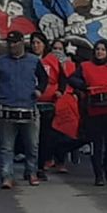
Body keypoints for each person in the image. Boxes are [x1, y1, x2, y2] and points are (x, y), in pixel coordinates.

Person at [0, 31, 49, 189]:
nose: (11, 45)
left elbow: (44, 78)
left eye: (14, 42)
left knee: (32, 144)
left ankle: (31, 171)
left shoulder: (34, 61)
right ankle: (7, 176)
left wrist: (40, 89)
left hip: (29, 107)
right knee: (7, 147)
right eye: (9, 42)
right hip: (7, 107)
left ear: (22, 42)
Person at [69, 39, 107, 186]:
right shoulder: (85, 66)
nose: (99, 52)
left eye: (102, 49)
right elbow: (72, 79)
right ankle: (98, 175)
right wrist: (84, 86)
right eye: (97, 49)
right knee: (97, 145)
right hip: (94, 110)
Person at [29, 32, 66, 181]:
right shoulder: (28, 59)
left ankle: (40, 167)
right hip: (31, 103)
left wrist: (59, 91)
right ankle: (30, 166)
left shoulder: (52, 60)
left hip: (48, 104)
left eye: (38, 43)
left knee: (45, 137)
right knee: (31, 138)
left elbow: (63, 79)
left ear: (44, 44)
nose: (36, 46)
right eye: (33, 43)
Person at [50, 39, 83, 171]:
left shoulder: (72, 65)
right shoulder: (47, 63)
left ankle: (61, 160)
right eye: (54, 48)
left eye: (59, 49)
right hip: (53, 101)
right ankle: (51, 158)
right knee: (53, 133)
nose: (57, 51)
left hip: (69, 102)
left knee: (69, 132)